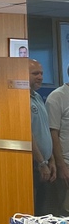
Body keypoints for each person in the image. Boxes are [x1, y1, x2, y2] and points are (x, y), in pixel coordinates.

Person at [29, 59, 56, 215]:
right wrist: (41, 162)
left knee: (43, 211)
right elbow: (29, 134)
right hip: (34, 164)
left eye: (41, 73)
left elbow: (44, 130)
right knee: (34, 211)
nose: (40, 77)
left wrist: (51, 160)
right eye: (35, 73)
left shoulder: (38, 97)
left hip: (45, 162)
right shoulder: (21, 100)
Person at [46, 66, 69, 216]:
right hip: (66, 162)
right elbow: (52, 133)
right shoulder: (57, 97)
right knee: (65, 212)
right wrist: (61, 166)